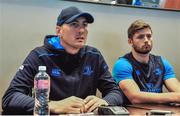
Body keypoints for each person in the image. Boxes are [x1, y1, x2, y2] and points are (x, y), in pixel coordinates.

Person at [2, 6, 124, 115]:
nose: (81, 30)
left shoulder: (94, 56)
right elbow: (10, 97)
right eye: (74, 24)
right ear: (59, 30)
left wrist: (104, 101)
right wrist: (52, 105)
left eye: (85, 25)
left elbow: (115, 92)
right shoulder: (39, 55)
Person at [112, 19, 180, 104]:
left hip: (160, 111)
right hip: (133, 112)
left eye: (149, 36)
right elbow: (135, 98)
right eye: (140, 37)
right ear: (130, 41)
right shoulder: (122, 64)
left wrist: (176, 96)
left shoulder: (162, 63)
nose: (146, 40)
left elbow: (178, 91)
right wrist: (174, 97)